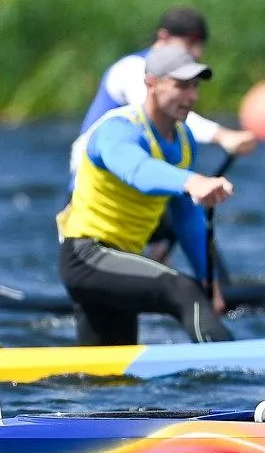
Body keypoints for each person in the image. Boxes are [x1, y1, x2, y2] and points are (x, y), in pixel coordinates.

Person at [57, 44, 236, 346]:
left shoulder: (184, 140)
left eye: (195, 86)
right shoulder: (118, 129)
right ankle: (230, 368)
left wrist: (209, 278)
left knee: (107, 368)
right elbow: (137, 171)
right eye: (181, 85)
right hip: (86, 256)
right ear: (151, 83)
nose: (192, 96)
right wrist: (192, 181)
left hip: (120, 261)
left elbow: (186, 217)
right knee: (182, 290)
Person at [72, 6, 257, 262]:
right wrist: (222, 135)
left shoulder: (177, 83)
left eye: (200, 45)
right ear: (163, 37)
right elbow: (165, 110)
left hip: (143, 177)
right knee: (178, 218)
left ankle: (203, 281)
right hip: (101, 184)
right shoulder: (133, 69)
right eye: (190, 43)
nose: (196, 53)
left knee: (192, 222)